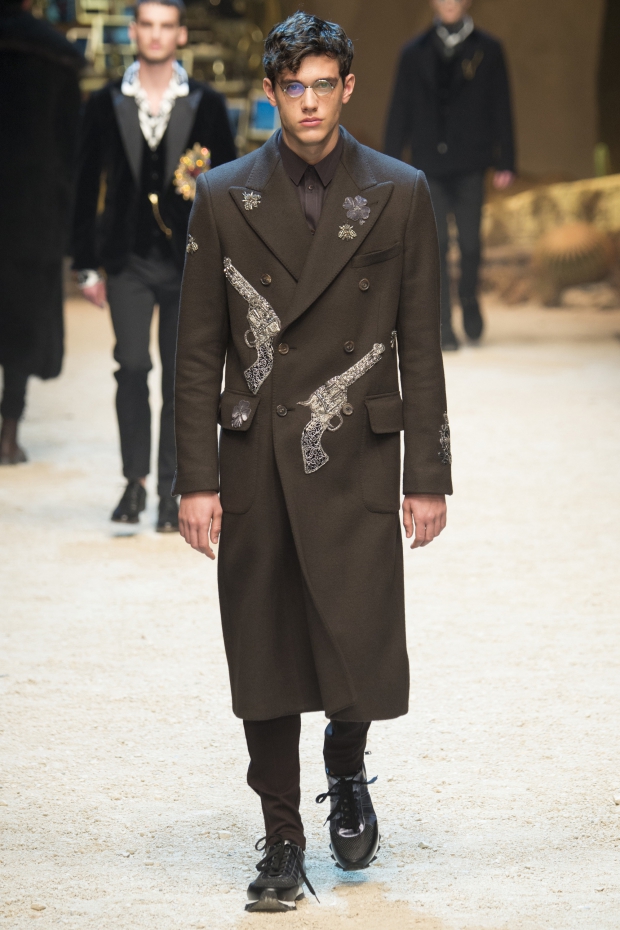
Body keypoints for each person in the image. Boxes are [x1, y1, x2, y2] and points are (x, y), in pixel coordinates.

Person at [174, 11, 452, 911]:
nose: (309, 102)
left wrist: (427, 475)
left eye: (323, 85)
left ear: (348, 88)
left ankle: (346, 759)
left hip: (356, 454)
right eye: (293, 86)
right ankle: (283, 837)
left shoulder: (400, 191)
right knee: (263, 647)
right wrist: (196, 479)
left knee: (355, 635)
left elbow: (420, 342)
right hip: (257, 454)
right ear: (269, 93)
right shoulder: (223, 195)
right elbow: (196, 352)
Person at [72, 0, 236, 530]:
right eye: (147, 24)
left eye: (167, 26)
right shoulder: (105, 103)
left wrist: (231, 262)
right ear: (134, 31)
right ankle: (134, 481)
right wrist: (86, 264)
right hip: (127, 258)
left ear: (181, 34)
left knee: (181, 377)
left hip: (191, 262)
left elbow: (230, 186)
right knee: (132, 366)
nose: (157, 35)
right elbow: (85, 183)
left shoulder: (207, 104)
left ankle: (173, 487)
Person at [385, 0, 515, 350]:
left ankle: (469, 298)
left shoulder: (489, 50)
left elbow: (501, 104)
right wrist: (390, 163)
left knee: (471, 244)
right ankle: (443, 323)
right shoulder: (413, 52)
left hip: (472, 162)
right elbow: (399, 110)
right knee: (436, 245)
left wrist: (506, 160)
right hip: (429, 165)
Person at [0, 0, 82, 464]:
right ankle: (9, 433)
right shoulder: (55, 56)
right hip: (31, 209)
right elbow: (70, 145)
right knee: (21, 321)